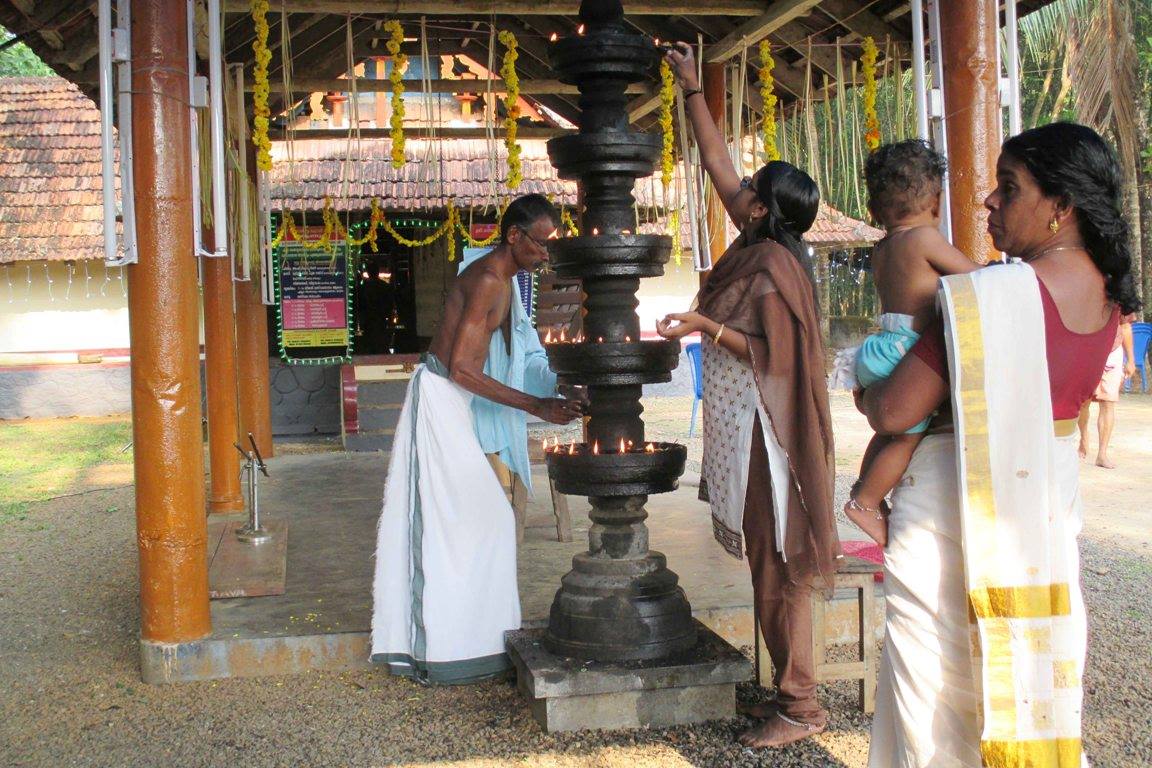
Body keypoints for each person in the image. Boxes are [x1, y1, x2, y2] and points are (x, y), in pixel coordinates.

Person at [861, 122, 1140, 766]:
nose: (988, 201)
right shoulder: (1105, 294)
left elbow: (894, 408)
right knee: (1019, 677)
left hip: (946, 513)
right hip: (1040, 515)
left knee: (933, 690)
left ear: (1060, 206)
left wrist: (864, 391)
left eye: (1008, 188)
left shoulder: (989, 296)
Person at [659, 42, 840, 749]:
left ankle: (801, 707)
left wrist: (709, 325)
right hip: (752, 426)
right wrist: (689, 89)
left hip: (774, 435)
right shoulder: (764, 241)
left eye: (747, 193)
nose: (735, 194)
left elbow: (779, 358)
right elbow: (715, 163)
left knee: (781, 565)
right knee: (769, 563)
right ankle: (787, 696)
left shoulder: (772, 263)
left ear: (761, 209)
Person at [370, 195, 584, 685]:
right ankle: (442, 651)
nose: (546, 254)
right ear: (514, 236)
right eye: (541, 243)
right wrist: (538, 408)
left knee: (482, 526)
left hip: (453, 403)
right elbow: (464, 370)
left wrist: (553, 387)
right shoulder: (489, 280)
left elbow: (512, 360)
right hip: (440, 401)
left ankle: (473, 644)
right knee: (468, 525)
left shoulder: (505, 282)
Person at [845, 140, 978, 546]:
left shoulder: (884, 248)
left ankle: (861, 491)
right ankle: (866, 502)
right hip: (907, 349)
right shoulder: (924, 239)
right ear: (936, 203)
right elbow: (974, 278)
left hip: (880, 346)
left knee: (887, 435)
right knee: (907, 436)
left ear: (874, 211)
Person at [1078, 313, 1137, 468]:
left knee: (1108, 402)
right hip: (1087, 349)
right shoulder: (1085, 289)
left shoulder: (1121, 290)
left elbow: (1125, 326)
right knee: (1084, 402)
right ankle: (1084, 436)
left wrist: (1131, 360)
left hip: (1113, 351)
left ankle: (1102, 454)